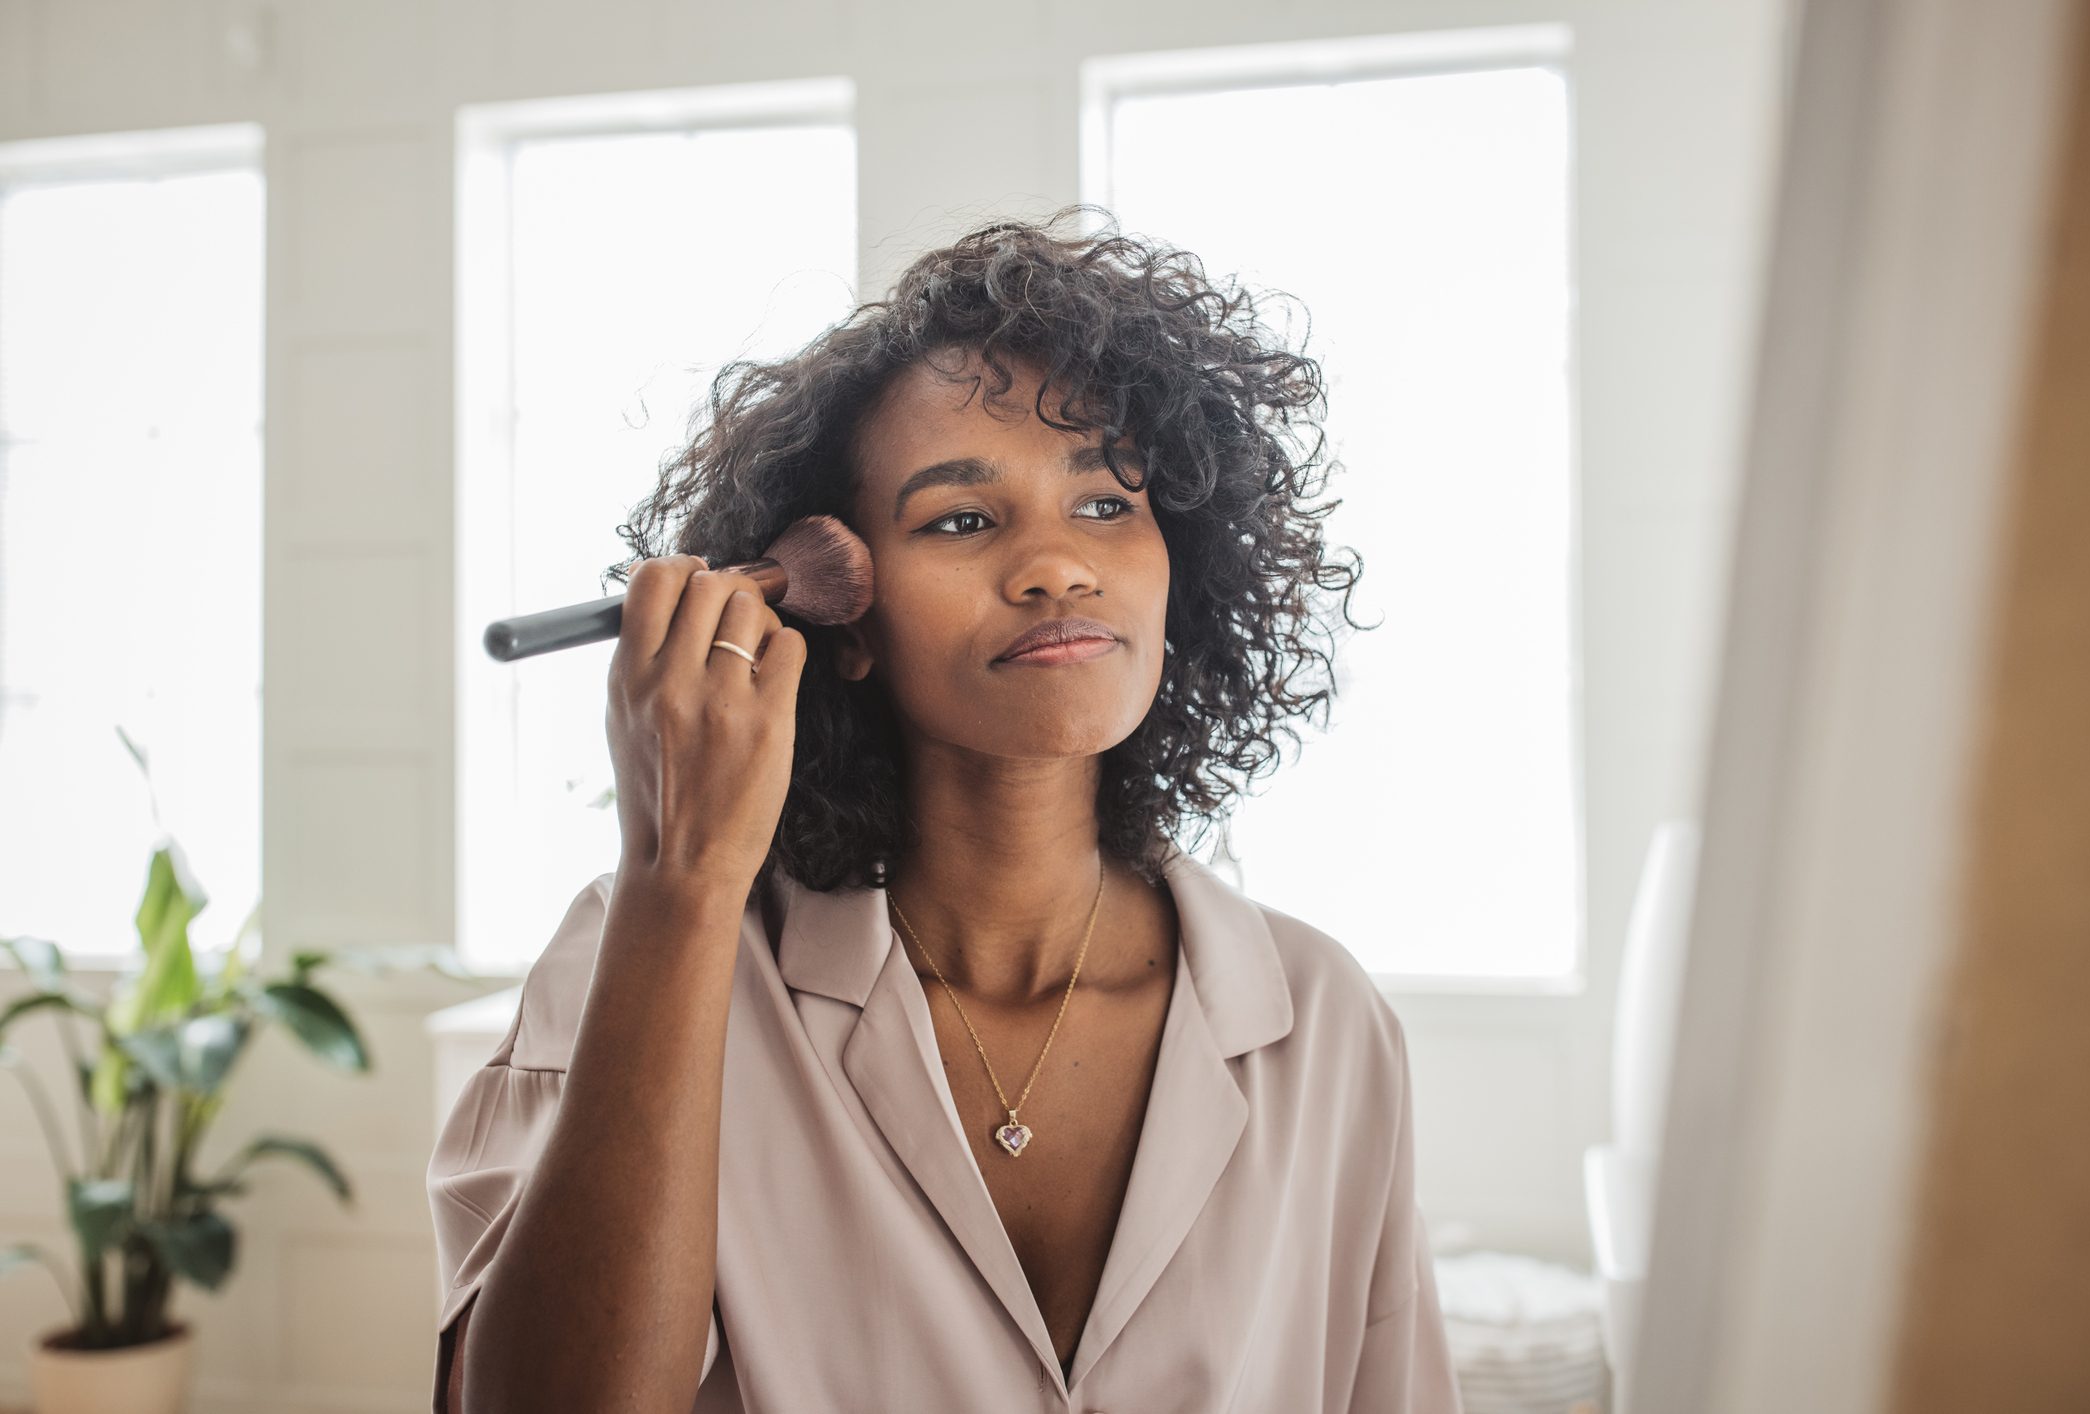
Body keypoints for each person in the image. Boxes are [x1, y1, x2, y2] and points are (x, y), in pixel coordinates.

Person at [426, 205, 1464, 1413]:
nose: (1053, 567)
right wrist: (679, 877)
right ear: (840, 612)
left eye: (1104, 504)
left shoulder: (1321, 1025)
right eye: (961, 520)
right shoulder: (644, 957)